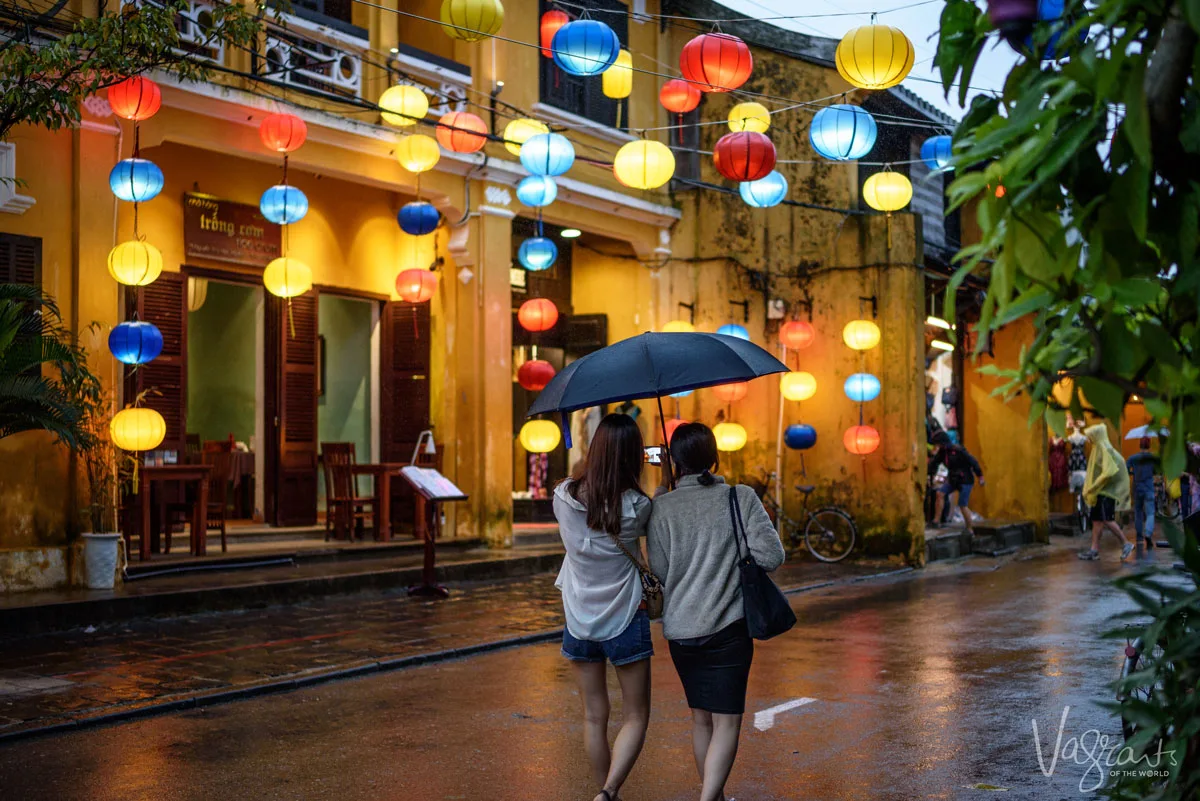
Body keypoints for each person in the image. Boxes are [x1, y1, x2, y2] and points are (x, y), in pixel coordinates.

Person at [647, 423, 786, 801]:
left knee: (700, 718)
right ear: (715, 457)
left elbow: (658, 571)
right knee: (727, 721)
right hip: (729, 629)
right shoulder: (739, 497)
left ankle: (715, 796)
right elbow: (772, 556)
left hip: (681, 632)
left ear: (674, 462)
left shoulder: (661, 506)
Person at [553, 413, 654, 801]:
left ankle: (605, 794)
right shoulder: (638, 506)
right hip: (627, 615)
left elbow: (584, 496)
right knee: (636, 715)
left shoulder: (563, 497)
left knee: (594, 716)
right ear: (634, 456)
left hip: (578, 619)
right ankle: (610, 791)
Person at [1078, 423, 1133, 561]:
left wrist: (1093, 487)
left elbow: (1108, 472)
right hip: (1101, 492)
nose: (1089, 439)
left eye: (1091, 436)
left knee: (1106, 519)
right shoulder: (1099, 447)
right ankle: (1094, 550)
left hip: (1106, 492)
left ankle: (1126, 543)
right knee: (1097, 521)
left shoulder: (1103, 448)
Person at [929, 431, 985, 533]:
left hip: (965, 480)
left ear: (942, 443)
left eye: (937, 444)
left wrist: (980, 476)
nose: (936, 446)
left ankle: (969, 528)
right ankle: (936, 521)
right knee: (940, 493)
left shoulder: (958, 450)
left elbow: (973, 461)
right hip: (953, 479)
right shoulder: (942, 453)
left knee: (962, 505)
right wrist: (929, 475)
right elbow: (934, 464)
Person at [1126, 436, 1159, 549]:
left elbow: (1127, 469)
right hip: (1149, 487)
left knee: (1138, 512)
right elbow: (1156, 471)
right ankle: (1148, 534)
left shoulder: (1132, 458)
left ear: (1140, 445)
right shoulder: (1152, 458)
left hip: (1137, 486)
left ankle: (1139, 536)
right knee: (1150, 513)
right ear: (1149, 445)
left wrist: (1133, 473)